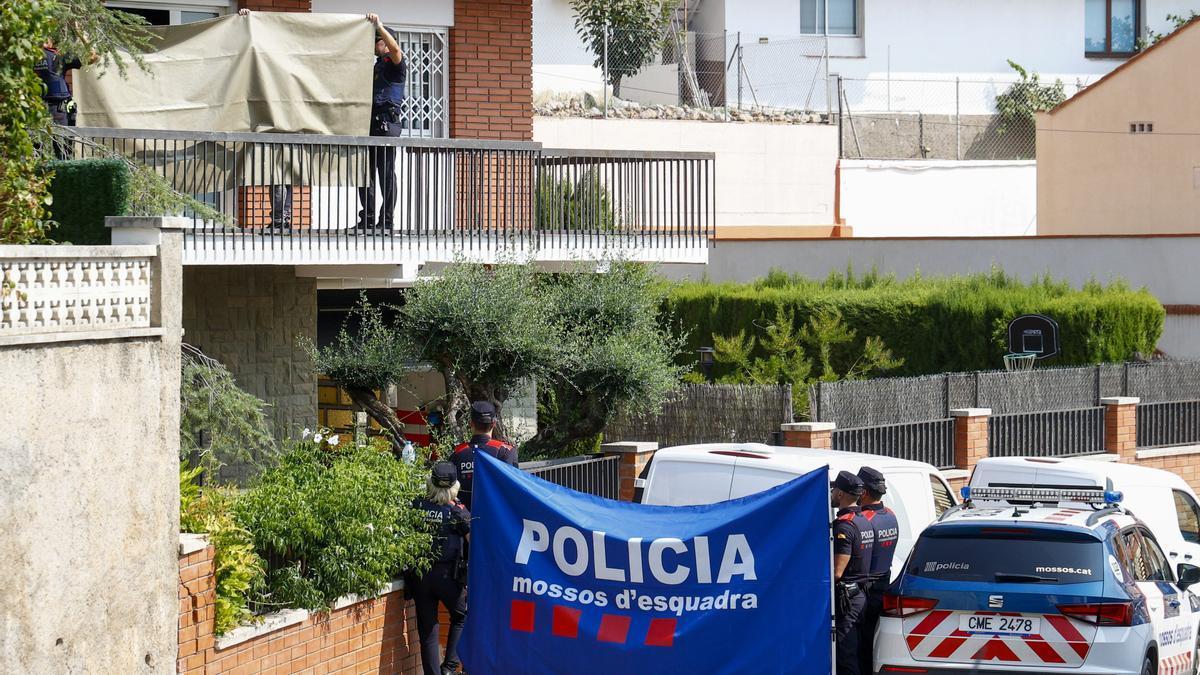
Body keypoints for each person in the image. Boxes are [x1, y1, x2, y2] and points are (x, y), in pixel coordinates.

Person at [410, 461, 470, 675]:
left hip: (420, 576)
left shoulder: (416, 505)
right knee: (462, 616)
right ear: (454, 486)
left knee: (428, 630)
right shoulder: (458, 511)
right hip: (449, 577)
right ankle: (450, 667)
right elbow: (474, 542)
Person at [357, 12, 406, 233]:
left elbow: (396, 51)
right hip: (369, 124)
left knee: (385, 174)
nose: (376, 45)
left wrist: (380, 26)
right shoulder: (376, 66)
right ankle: (367, 219)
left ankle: (386, 222)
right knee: (363, 173)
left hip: (387, 124)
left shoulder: (395, 64)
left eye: (378, 40)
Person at [856, 466, 900, 675]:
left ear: (863, 492)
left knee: (862, 648)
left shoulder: (863, 520)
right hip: (883, 587)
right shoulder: (890, 515)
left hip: (865, 592)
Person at [831, 470, 874, 675]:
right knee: (856, 651)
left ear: (840, 494)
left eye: (833, 490)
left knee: (845, 654)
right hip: (860, 595)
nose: (831, 494)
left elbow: (837, 572)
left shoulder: (845, 525)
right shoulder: (864, 519)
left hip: (847, 599)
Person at [449, 401, 518, 510]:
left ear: (471, 423)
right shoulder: (505, 451)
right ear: (494, 423)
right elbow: (513, 489)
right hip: (497, 518)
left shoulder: (457, 453)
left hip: (465, 520)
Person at [34, 38, 96, 160]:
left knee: (38, 147)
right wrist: (80, 35)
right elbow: (92, 57)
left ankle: (39, 175)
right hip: (56, 107)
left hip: (38, 108)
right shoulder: (58, 57)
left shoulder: (27, 57)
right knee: (62, 148)